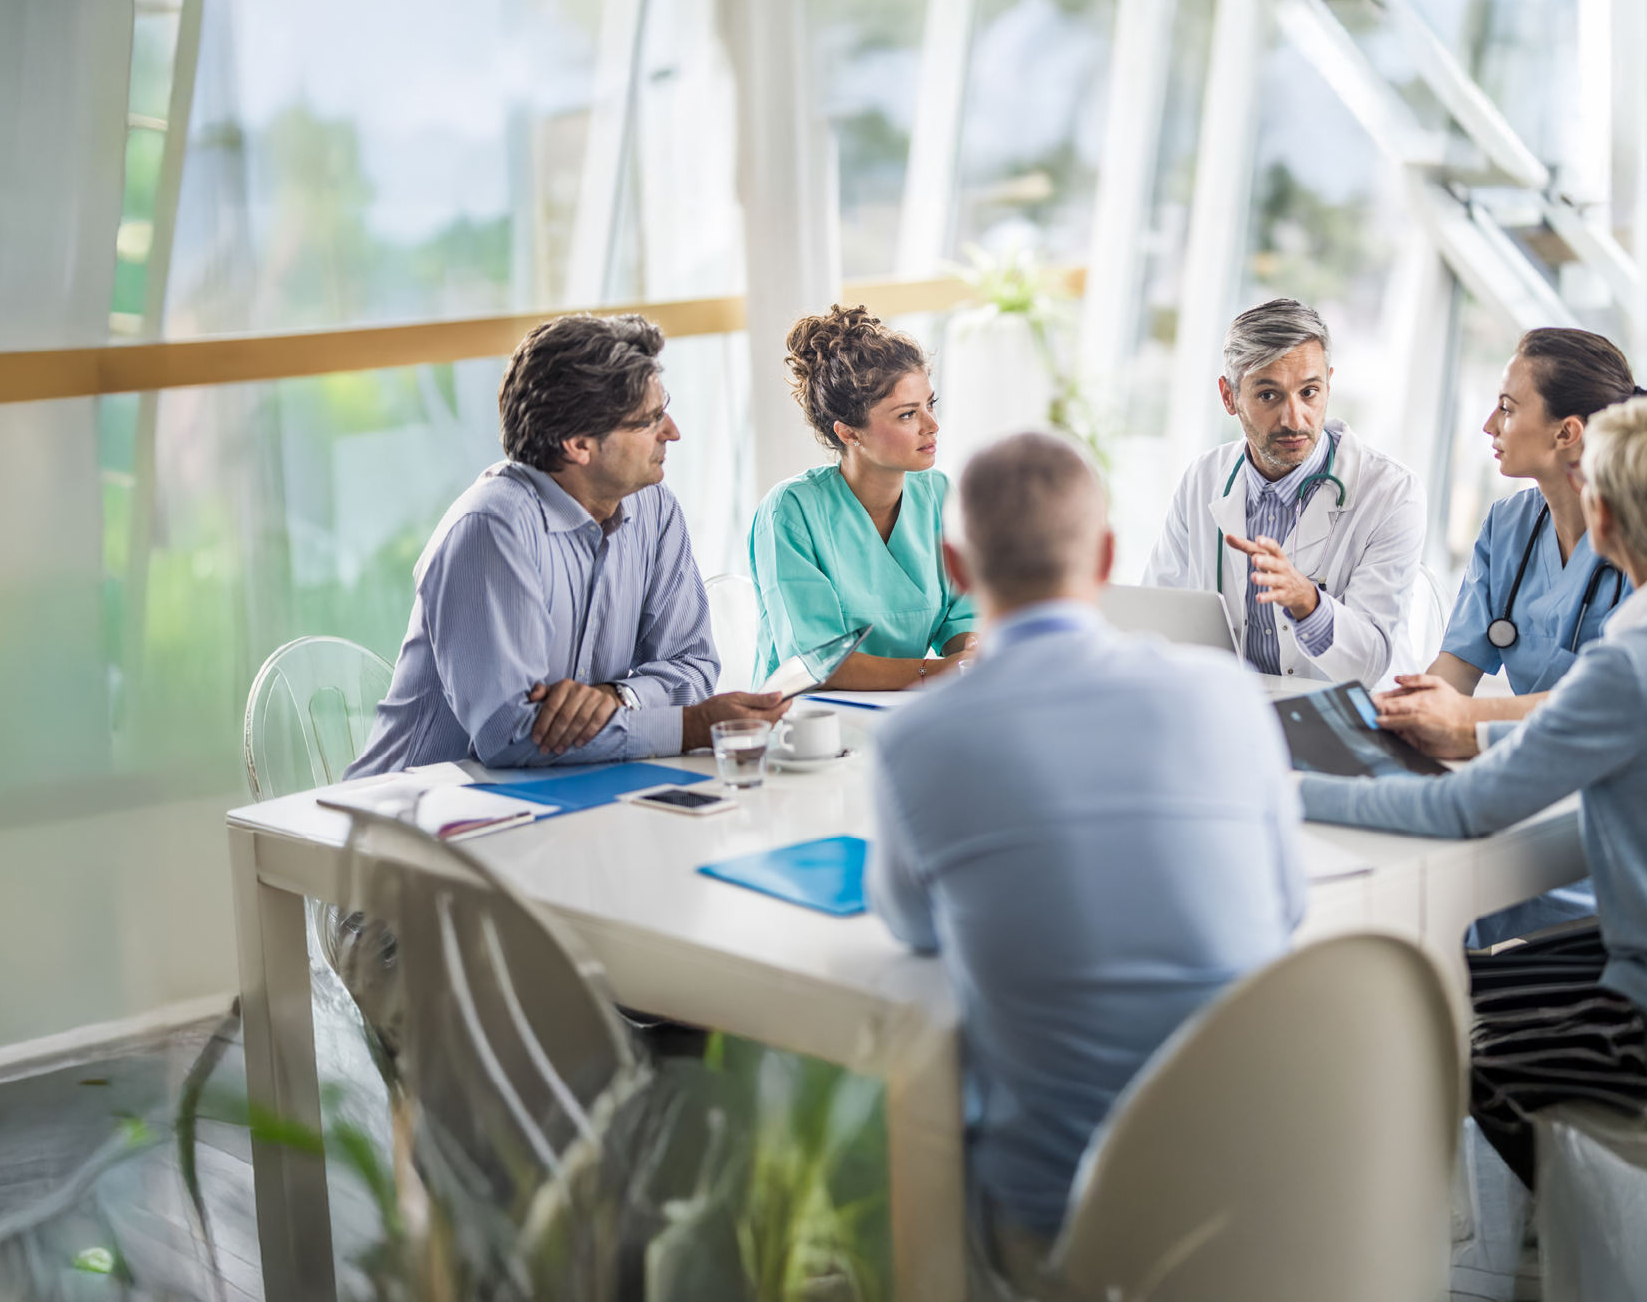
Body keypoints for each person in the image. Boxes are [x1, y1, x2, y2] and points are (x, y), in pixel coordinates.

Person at [1296, 399, 1647, 1187]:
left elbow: (1456, 812)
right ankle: (1589, 1211)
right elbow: (1626, 737)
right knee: (1443, 985)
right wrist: (1482, 735)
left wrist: (1281, 790)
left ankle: (1608, 1222)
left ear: (1598, 513)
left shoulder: (1634, 662)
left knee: (1425, 1019)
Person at [867, 431, 1305, 1273]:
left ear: (955, 568)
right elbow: (1285, 910)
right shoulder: (1226, 694)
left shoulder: (917, 740)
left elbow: (911, 929)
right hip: (1260, 1192)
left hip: (1069, 1217)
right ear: (1105, 556)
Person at [347, 313, 786, 777]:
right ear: (579, 445)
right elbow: (510, 734)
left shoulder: (655, 510)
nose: (672, 431)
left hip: (557, 795)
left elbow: (693, 666)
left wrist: (616, 697)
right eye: (649, 420)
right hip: (418, 814)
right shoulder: (492, 529)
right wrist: (688, 728)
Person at [1377, 328, 1647, 944]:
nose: (1488, 425)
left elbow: (1605, 706)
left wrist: (1463, 719)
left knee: (1442, 904)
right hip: (1525, 777)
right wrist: (1395, 713)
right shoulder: (1508, 525)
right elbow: (1453, 670)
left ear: (1567, 433)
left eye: (1507, 408)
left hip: (1600, 813)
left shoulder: (1646, 546)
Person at [1144, 297, 1426, 688]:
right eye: (1268, 395)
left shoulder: (1392, 493)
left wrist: (1308, 603)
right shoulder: (1201, 479)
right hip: (1238, 710)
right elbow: (1157, 615)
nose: (1294, 419)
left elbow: (1372, 660)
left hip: (1351, 720)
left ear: (1329, 383)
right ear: (1229, 397)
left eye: (1309, 392)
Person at [748, 305, 979, 690]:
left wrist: (970, 655)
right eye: (907, 414)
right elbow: (816, 664)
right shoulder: (790, 512)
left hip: (904, 709)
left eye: (930, 405)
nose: (932, 426)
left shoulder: (939, 494)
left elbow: (963, 616)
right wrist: (934, 672)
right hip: (806, 723)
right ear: (849, 433)